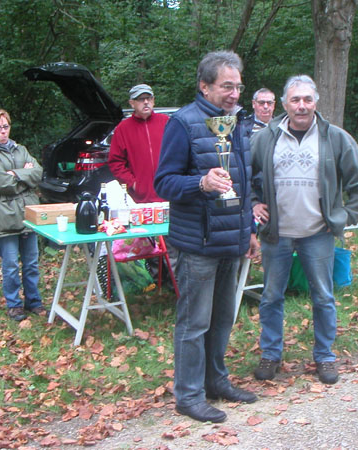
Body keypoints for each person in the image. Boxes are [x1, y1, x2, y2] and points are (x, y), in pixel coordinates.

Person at [154, 50, 260, 424]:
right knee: (194, 322)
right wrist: (200, 183)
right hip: (197, 242)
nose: (235, 94)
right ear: (204, 86)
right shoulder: (182, 123)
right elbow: (163, 182)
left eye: (238, 86)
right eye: (227, 86)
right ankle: (188, 395)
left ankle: (217, 382)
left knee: (221, 320)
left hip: (231, 239)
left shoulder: (239, 122)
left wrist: (249, 229)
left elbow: (244, 183)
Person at [251, 75, 358, 385]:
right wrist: (252, 203)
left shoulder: (335, 138)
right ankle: (270, 355)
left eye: (307, 99)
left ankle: (325, 356)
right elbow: (243, 173)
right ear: (284, 104)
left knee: (323, 296)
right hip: (276, 233)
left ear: (315, 102)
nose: (301, 105)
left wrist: (344, 216)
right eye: (295, 100)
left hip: (318, 232)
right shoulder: (266, 137)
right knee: (270, 297)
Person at [0, 109, 44, 321]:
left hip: (28, 213)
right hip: (3, 215)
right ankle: (14, 305)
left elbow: (38, 173)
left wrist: (15, 174)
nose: (3, 131)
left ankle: (34, 301)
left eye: (5, 126)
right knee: (11, 264)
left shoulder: (19, 149)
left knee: (32, 262)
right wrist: (24, 174)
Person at [108, 83, 170, 203]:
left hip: (168, 195)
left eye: (149, 98)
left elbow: (178, 154)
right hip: (139, 199)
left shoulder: (166, 122)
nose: (146, 102)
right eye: (141, 99)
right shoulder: (123, 129)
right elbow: (116, 162)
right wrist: (133, 183)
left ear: (153, 101)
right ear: (132, 103)